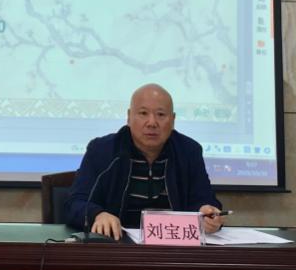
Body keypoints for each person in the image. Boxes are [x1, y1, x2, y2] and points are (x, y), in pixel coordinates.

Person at [65, 83, 223, 241]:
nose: (152, 122)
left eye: (161, 114)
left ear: (173, 120)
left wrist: (207, 213)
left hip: (174, 244)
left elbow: (205, 200)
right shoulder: (103, 151)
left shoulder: (188, 151)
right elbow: (75, 203)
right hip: (118, 244)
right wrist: (97, 215)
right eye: (143, 113)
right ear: (129, 117)